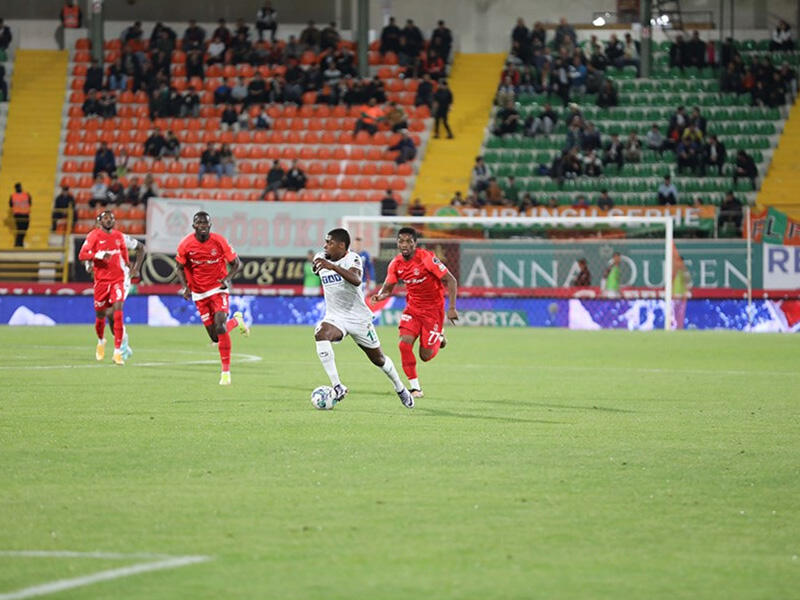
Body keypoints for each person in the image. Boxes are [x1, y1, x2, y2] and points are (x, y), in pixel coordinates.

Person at [313, 228, 414, 408]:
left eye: (329, 243)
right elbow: (316, 268)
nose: (325, 246)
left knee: (379, 359)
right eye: (325, 242)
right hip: (335, 317)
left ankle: (400, 388)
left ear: (341, 245)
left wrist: (333, 267)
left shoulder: (353, 258)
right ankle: (337, 386)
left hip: (358, 319)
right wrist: (319, 265)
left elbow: (356, 279)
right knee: (321, 333)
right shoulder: (320, 257)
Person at [371, 227, 459, 399]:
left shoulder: (426, 258)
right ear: (397, 243)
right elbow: (388, 289)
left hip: (433, 311)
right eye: (401, 241)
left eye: (408, 241)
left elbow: (451, 280)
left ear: (415, 243)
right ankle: (415, 388)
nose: (404, 245)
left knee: (425, 356)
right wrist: (380, 296)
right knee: (404, 345)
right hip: (412, 309)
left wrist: (452, 308)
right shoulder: (395, 264)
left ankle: (439, 337)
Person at [175, 212, 249, 386]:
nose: (202, 225)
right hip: (199, 293)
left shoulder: (219, 241)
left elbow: (237, 264)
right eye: (199, 223)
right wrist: (185, 287)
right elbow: (179, 267)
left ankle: (225, 372)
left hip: (218, 289)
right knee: (215, 337)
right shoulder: (186, 244)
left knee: (220, 324)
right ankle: (236, 321)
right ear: (194, 226)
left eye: (205, 223)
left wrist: (227, 279)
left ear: (210, 225)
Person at [78, 211, 130, 365]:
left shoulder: (119, 236)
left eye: (111, 218)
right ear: (99, 221)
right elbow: (82, 255)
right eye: (105, 218)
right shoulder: (93, 236)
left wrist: (128, 265)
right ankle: (101, 341)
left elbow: (124, 251)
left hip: (117, 280)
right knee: (100, 316)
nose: (109, 221)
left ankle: (117, 352)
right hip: (101, 281)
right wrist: (97, 255)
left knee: (118, 313)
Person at [671, 248, 691, 330]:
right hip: (673, 296)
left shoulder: (684, 272)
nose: (678, 263)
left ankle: (679, 326)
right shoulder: (673, 271)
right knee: (672, 313)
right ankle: (673, 326)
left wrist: (685, 293)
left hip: (680, 296)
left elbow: (687, 282)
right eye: (677, 261)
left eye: (680, 262)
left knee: (679, 313)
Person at [9, 183, 32, 248]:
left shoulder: (14, 196)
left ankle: (19, 243)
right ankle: (18, 244)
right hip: (21, 215)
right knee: (21, 229)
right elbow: (30, 203)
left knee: (23, 229)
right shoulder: (26, 195)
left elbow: (11, 205)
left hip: (21, 215)